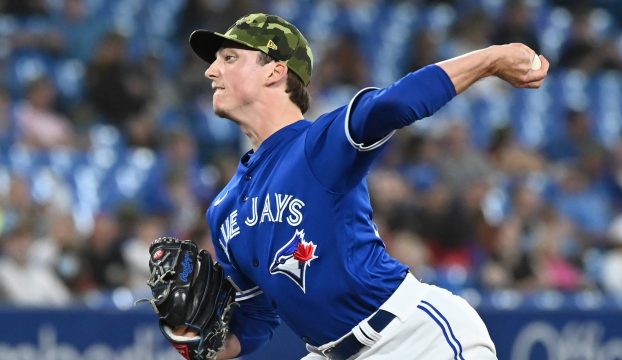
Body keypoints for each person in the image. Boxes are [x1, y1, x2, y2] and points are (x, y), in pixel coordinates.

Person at [170, 12, 548, 359]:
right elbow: (254, 319)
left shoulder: (317, 145)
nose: (211, 71)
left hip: (411, 338)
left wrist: (493, 58)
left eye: (229, 58)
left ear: (275, 71)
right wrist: (199, 341)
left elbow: (391, 106)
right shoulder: (224, 209)